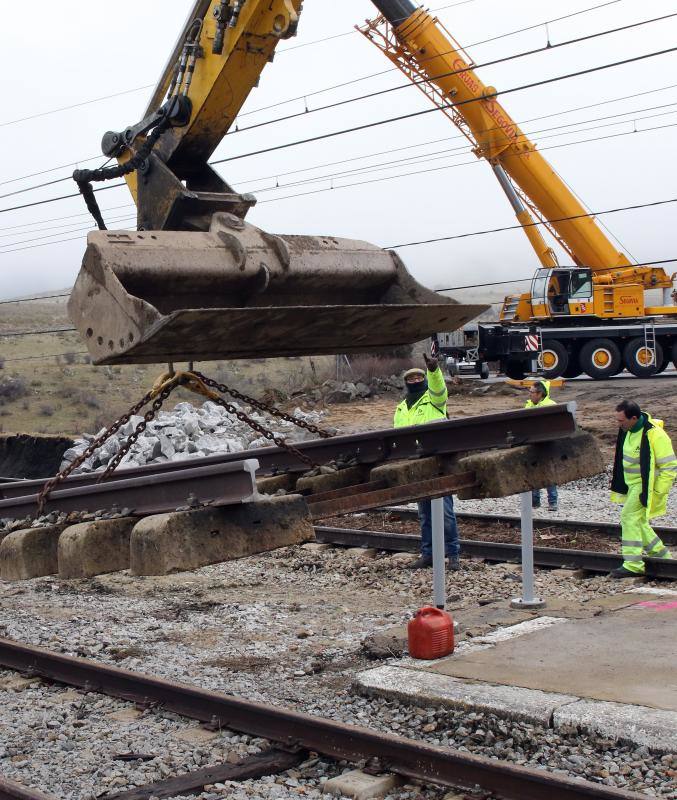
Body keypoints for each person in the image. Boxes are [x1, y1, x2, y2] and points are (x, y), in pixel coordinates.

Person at [394, 352, 460, 570]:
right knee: (424, 515)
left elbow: (439, 388)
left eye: (418, 378)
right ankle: (429, 554)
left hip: (439, 461)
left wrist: (433, 371)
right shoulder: (402, 407)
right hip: (417, 464)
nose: (415, 381)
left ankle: (453, 555)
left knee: (445, 513)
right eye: (411, 379)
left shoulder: (434, 398)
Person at [610, 399, 676, 578]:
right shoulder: (628, 430)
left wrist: (657, 492)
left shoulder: (655, 435)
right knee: (639, 521)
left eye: (621, 420)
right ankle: (662, 555)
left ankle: (633, 564)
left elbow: (670, 467)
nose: (618, 424)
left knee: (629, 517)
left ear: (633, 418)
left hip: (644, 486)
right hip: (632, 485)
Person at [524, 380, 558, 512]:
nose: (529, 395)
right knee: (533, 472)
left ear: (540, 394)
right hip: (532, 444)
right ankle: (535, 501)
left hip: (547, 444)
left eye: (531, 392)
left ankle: (552, 502)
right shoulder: (528, 405)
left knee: (549, 472)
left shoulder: (550, 406)